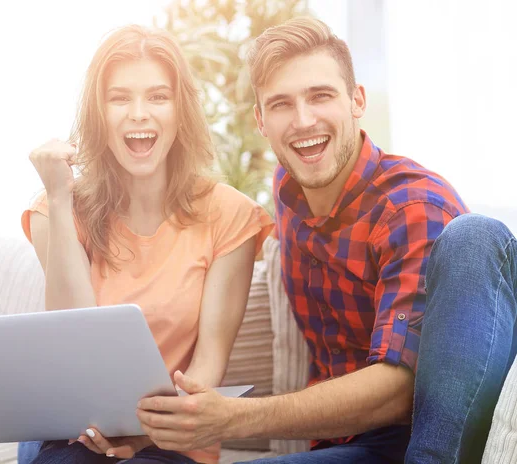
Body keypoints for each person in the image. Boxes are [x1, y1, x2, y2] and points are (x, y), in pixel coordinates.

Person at [134, 16, 517, 464]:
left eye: (320, 96)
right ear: (260, 120)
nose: (302, 120)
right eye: (280, 104)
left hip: (407, 437)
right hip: (342, 445)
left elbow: (397, 392)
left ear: (357, 100)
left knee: (477, 236)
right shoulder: (288, 188)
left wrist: (234, 417)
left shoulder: (412, 208)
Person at [17, 24, 273, 464]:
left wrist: (141, 438)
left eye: (158, 96)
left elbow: (207, 369)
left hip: (174, 440)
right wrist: (60, 200)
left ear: (180, 111)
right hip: (74, 434)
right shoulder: (55, 210)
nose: (139, 113)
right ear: (99, 114)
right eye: (119, 98)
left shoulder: (230, 216)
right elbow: (74, 337)